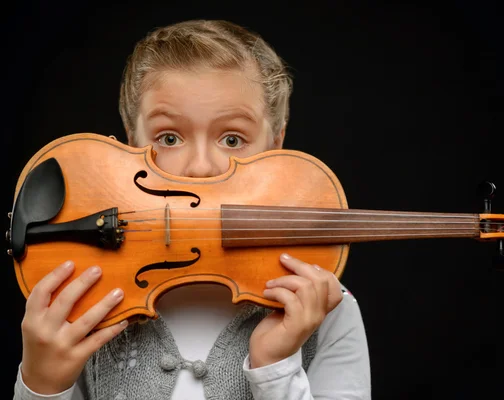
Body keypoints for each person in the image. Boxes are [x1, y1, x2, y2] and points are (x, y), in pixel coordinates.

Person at [12, 19, 371, 399]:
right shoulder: (90, 296)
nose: (200, 166)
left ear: (275, 147)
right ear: (132, 144)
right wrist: (42, 383)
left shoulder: (328, 307)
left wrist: (275, 366)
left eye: (232, 139)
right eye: (169, 137)